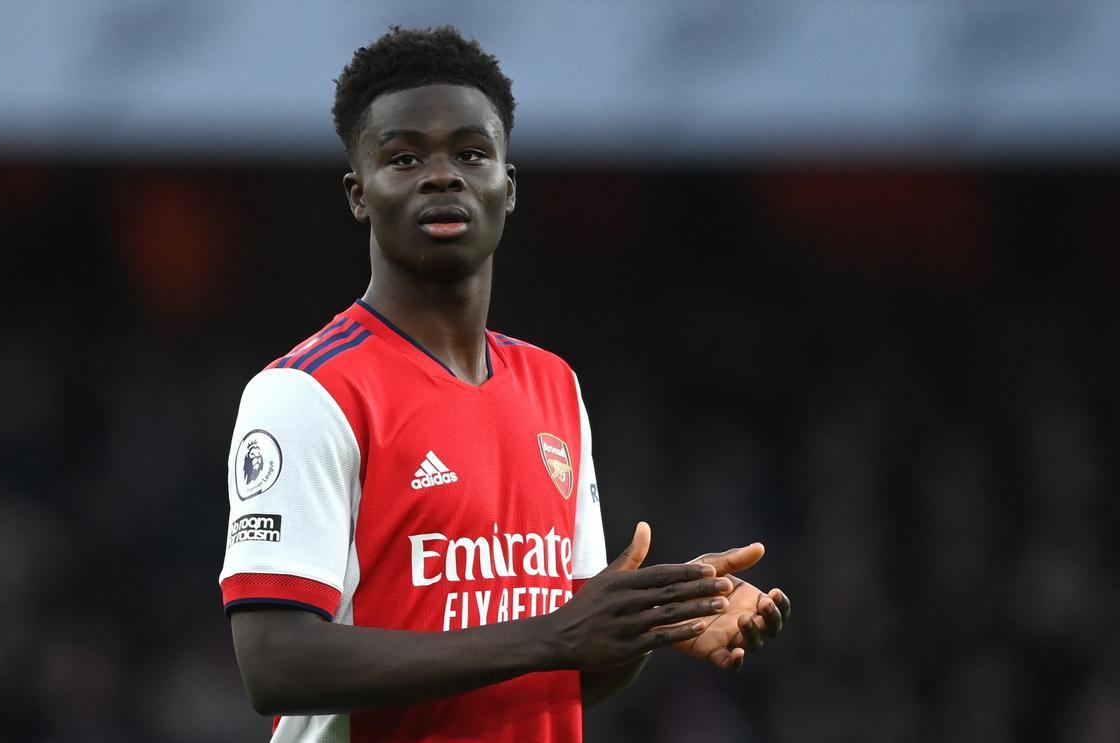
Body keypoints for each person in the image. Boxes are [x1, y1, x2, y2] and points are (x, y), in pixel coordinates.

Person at [219, 25, 790, 743]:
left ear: (507, 186)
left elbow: (572, 668)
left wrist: (650, 619)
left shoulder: (554, 385)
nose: (442, 175)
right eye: (403, 157)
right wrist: (551, 633)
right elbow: (275, 662)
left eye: (470, 153)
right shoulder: (307, 393)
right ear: (358, 193)